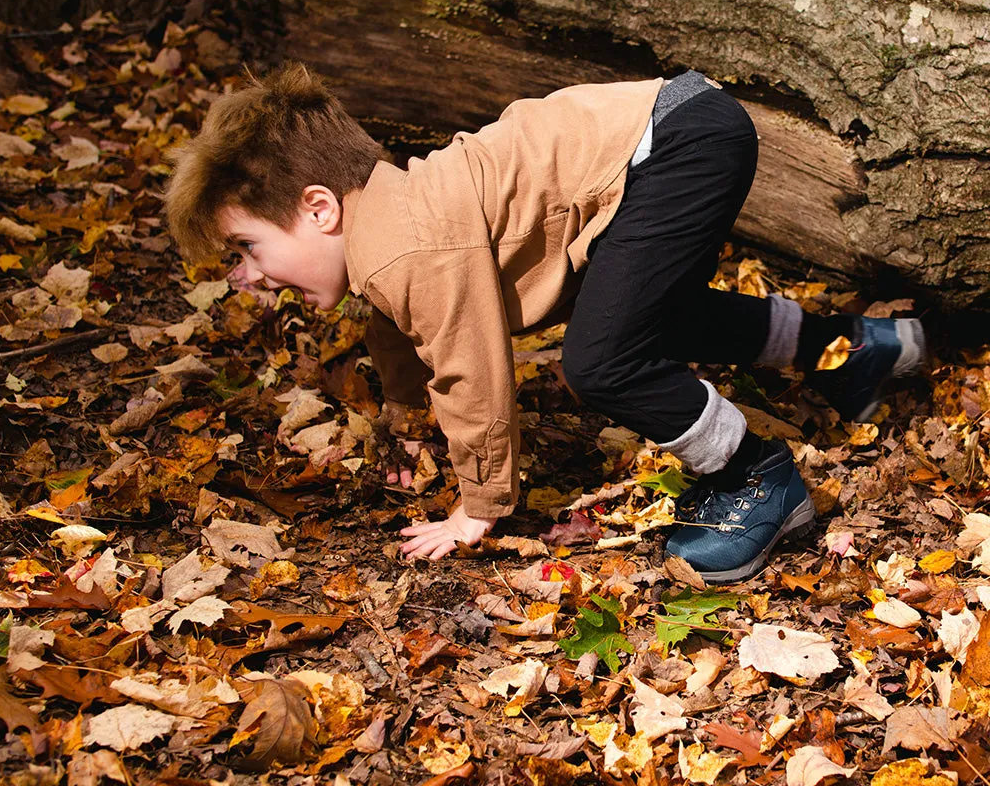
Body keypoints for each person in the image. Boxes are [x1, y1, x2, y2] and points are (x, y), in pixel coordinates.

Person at [163, 64, 926, 582]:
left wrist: (478, 506)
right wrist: (400, 405)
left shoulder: (404, 245)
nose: (249, 275)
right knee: (654, 319)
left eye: (248, 247)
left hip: (672, 146)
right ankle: (849, 352)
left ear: (319, 208)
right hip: (677, 128)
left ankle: (756, 477)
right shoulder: (385, 231)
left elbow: (470, 369)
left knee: (602, 360)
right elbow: (397, 329)